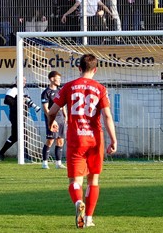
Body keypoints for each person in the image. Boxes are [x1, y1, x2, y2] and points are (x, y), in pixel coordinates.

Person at [46, 54, 118, 229]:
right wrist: (113, 140)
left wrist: (51, 124)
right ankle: (89, 219)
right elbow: (107, 116)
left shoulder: (69, 87)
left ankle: (78, 202)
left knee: (75, 181)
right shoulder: (100, 88)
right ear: (95, 70)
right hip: (95, 139)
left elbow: (53, 111)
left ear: (79, 68)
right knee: (93, 180)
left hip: (76, 138)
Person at [0, 80, 35, 160]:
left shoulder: (24, 91)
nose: (24, 82)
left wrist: (28, 102)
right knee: (22, 135)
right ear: (17, 82)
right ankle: (25, 155)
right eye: (22, 80)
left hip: (22, 116)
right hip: (15, 116)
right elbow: (7, 100)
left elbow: (27, 103)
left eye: (25, 80)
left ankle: (1, 153)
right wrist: (20, 101)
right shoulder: (13, 89)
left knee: (16, 136)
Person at [41, 70, 66, 170]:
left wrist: (65, 116)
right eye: (58, 78)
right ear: (52, 79)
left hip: (61, 118)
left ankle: (58, 163)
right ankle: (44, 163)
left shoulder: (60, 91)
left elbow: (63, 104)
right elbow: (46, 108)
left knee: (60, 140)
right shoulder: (46, 93)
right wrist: (52, 119)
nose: (59, 80)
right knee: (50, 140)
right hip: (52, 118)